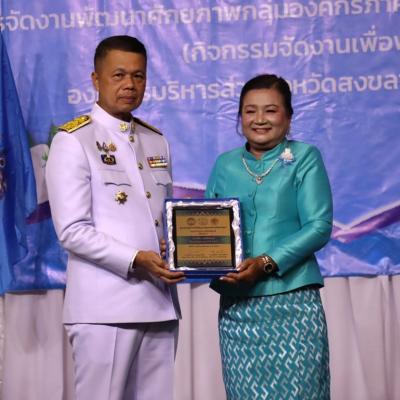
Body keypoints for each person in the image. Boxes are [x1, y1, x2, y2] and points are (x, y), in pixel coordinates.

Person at [46, 35, 184, 400]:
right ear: (96, 79)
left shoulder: (156, 140)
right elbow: (72, 231)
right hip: (104, 307)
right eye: (119, 75)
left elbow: (161, 220)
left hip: (159, 302)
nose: (130, 85)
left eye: (138, 76)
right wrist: (136, 258)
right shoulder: (73, 140)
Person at [205, 74, 333, 399]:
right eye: (250, 111)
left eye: (270, 110)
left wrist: (266, 262)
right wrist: (184, 250)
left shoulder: (305, 157)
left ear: (288, 116)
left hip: (293, 305)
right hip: (238, 309)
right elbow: (206, 228)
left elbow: (319, 226)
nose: (259, 119)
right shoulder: (224, 164)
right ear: (239, 117)